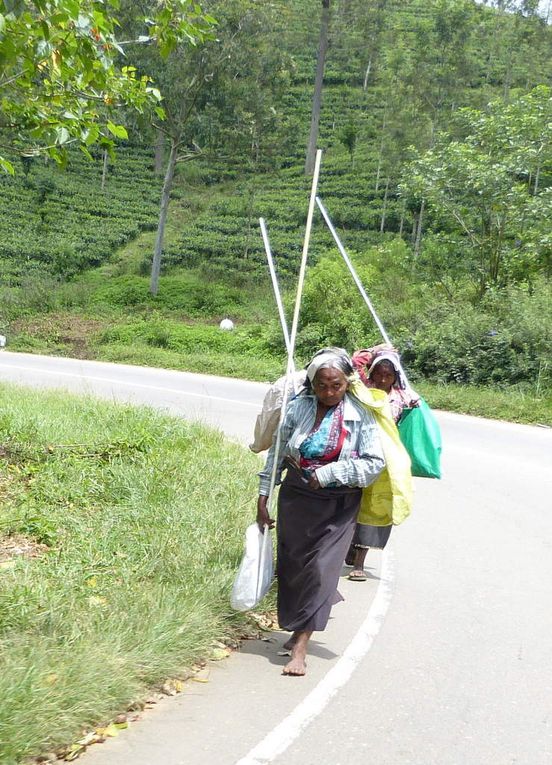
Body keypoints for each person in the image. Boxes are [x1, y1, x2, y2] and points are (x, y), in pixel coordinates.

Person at [256, 349, 385, 676]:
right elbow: (278, 453)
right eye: (322, 386)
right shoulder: (297, 408)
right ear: (311, 384)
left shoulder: (361, 414)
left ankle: (301, 645)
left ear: (347, 383)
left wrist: (329, 473)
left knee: (320, 569)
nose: (329, 393)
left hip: (338, 504)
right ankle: (299, 623)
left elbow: (374, 463)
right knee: (294, 566)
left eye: (336, 386)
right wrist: (262, 495)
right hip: (296, 498)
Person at [346, 346, 419, 581]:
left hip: (384, 460)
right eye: (379, 374)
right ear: (372, 374)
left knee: (374, 507)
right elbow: (351, 367)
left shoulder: (402, 397)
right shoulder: (363, 390)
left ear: (395, 377)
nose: (383, 379)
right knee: (349, 502)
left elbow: (418, 409)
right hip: (356, 453)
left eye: (389, 375)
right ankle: (347, 546)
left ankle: (360, 562)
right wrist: (373, 351)